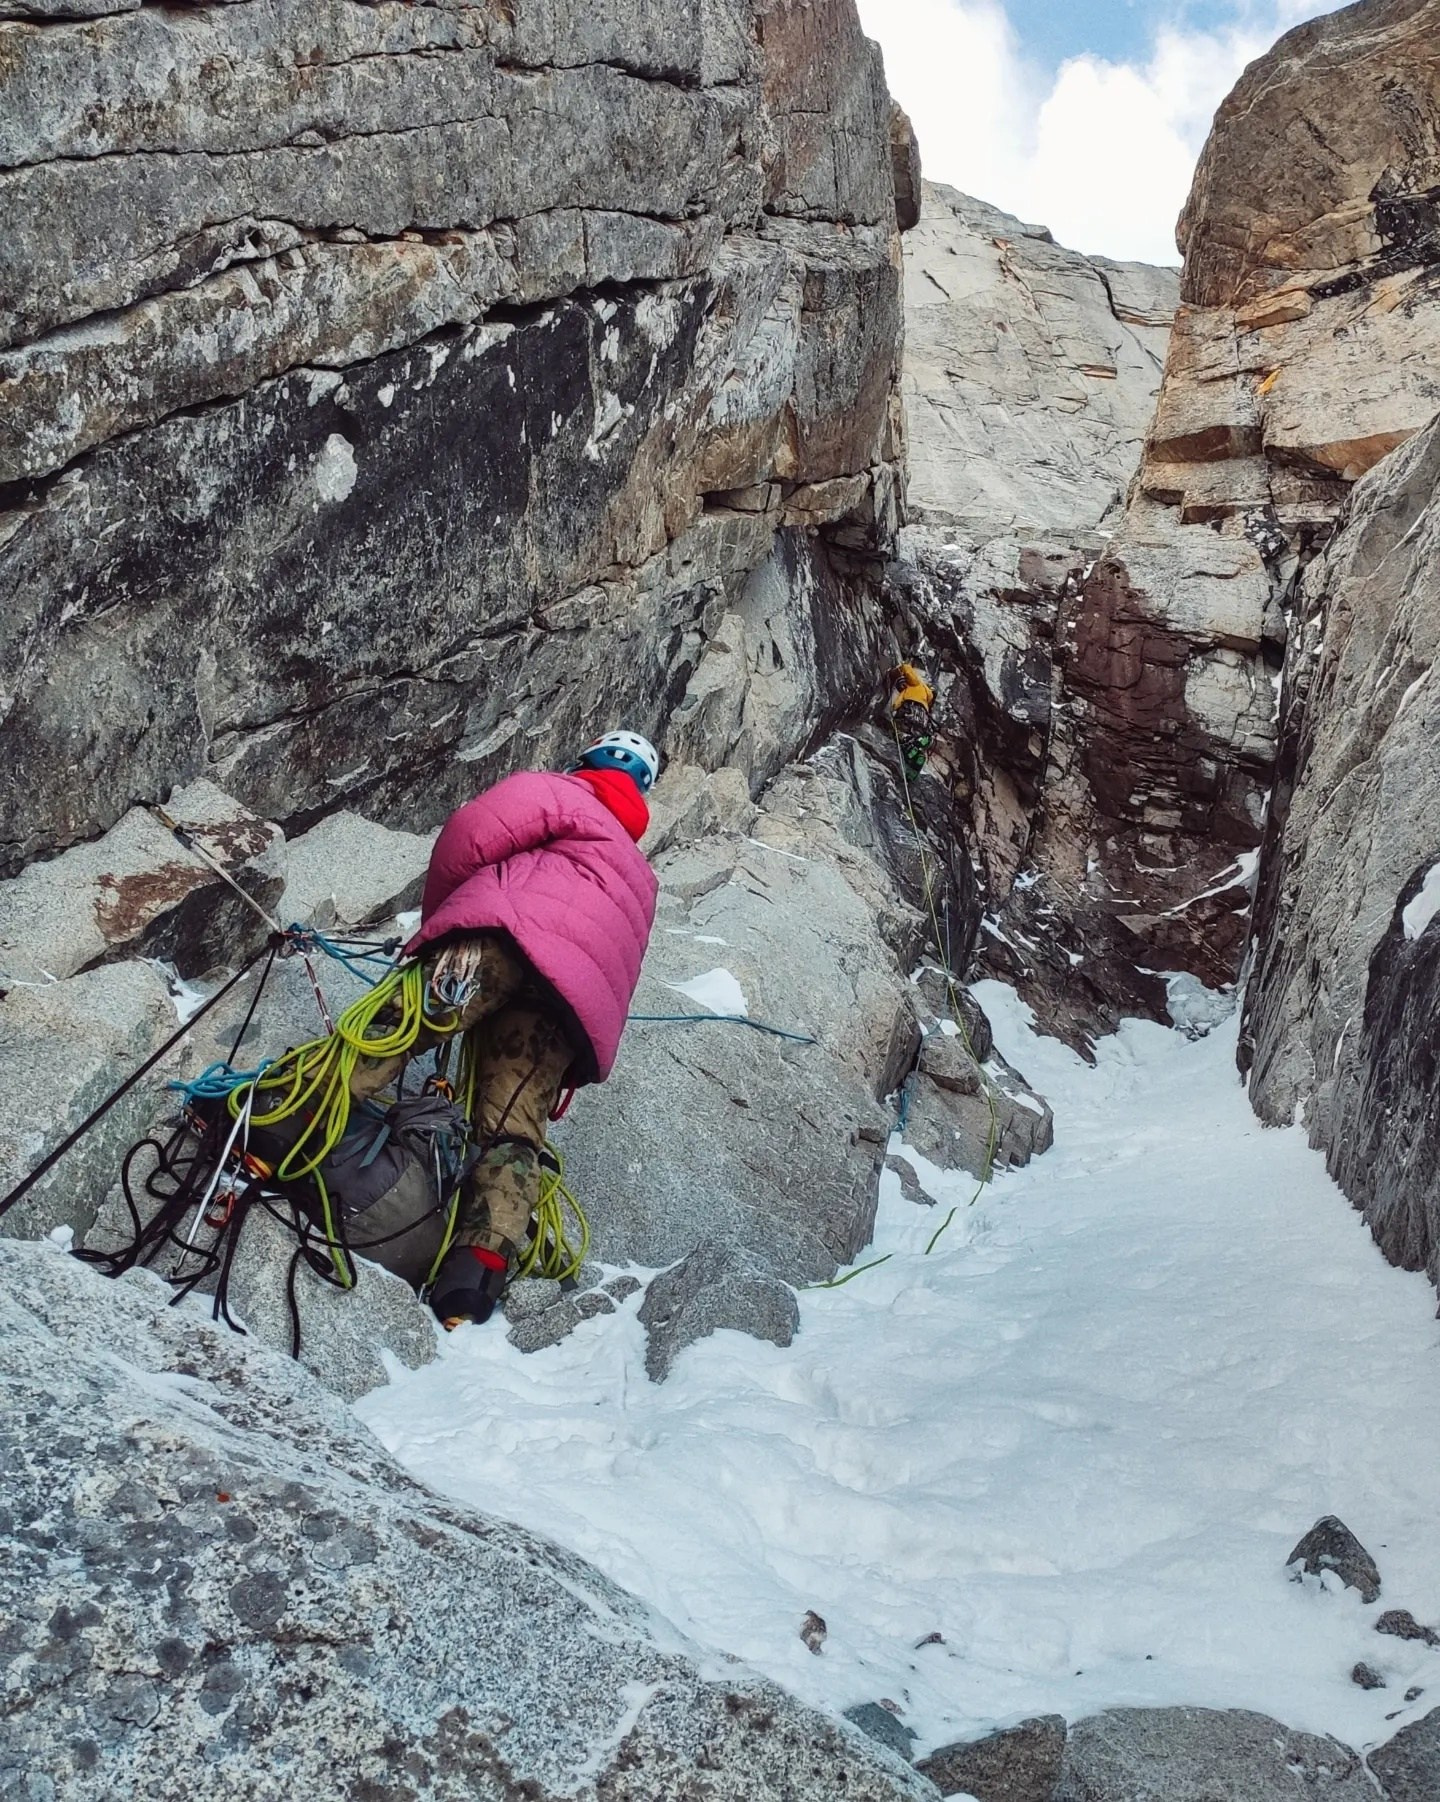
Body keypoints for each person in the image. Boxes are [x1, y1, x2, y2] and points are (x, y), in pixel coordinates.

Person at [349, 730, 660, 1327]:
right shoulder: (641, 877)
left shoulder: (561, 793)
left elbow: (471, 834)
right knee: (514, 1129)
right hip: (565, 1005)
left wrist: (441, 923)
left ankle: (292, 1117)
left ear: (584, 760)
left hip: (500, 939)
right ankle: (473, 1280)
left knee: (400, 1028)